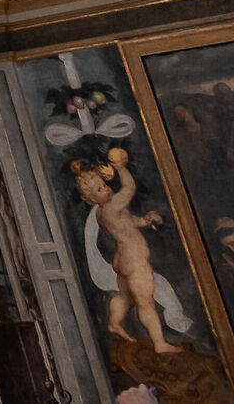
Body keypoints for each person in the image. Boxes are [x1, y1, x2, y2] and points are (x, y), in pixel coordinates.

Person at [73, 147, 187, 353]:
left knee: (127, 297)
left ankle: (114, 323)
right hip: (134, 260)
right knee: (146, 302)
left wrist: (144, 221)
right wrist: (121, 168)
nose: (106, 189)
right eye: (99, 190)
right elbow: (129, 187)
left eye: (104, 185)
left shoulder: (104, 211)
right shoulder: (112, 206)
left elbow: (128, 223)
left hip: (122, 260)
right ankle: (159, 344)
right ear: (92, 199)